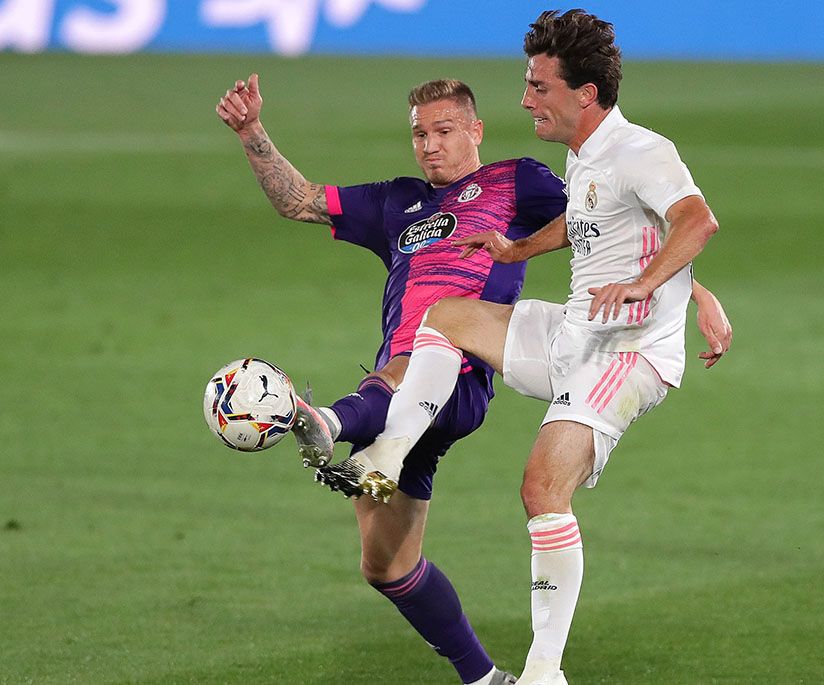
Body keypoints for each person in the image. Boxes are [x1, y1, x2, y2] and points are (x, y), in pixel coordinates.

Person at [312, 9, 732, 685]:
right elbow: (586, 218)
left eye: (538, 86)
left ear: (584, 93)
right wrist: (518, 247)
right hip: (577, 331)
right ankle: (386, 451)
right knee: (448, 316)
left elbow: (695, 219)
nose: (525, 98)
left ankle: (543, 673)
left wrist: (654, 284)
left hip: (626, 353)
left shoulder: (641, 151)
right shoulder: (588, 155)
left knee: (541, 488)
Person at [216, 75, 571, 685]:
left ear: (475, 131)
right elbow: (299, 200)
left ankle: (322, 420)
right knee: (386, 565)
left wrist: (682, 285)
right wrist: (252, 131)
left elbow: (602, 220)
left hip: (458, 377)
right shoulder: (395, 202)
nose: (430, 146)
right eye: (419, 134)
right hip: (395, 408)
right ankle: (486, 680)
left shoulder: (516, 181)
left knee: (425, 345)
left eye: (444, 131)